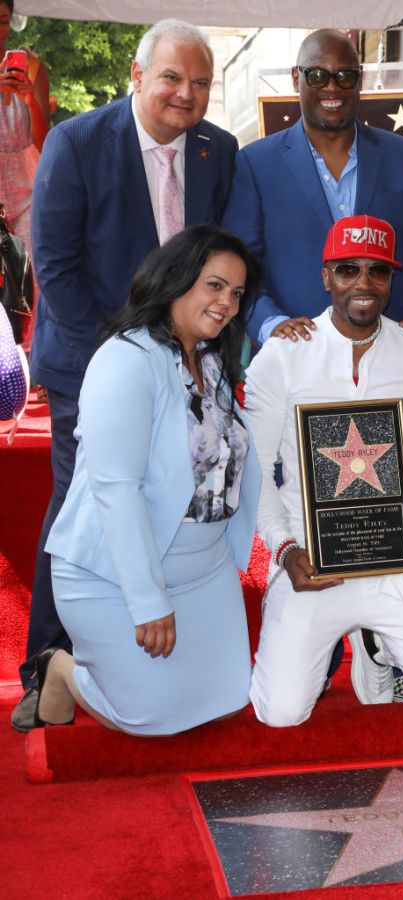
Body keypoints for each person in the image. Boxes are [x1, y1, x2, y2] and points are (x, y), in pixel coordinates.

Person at [12, 19, 238, 732]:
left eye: (200, 82)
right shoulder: (77, 142)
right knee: (82, 498)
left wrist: (193, 361)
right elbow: (57, 269)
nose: (186, 93)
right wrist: (123, 363)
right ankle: (46, 659)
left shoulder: (218, 150)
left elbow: (219, 263)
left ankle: (145, 635)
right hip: (93, 363)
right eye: (172, 77)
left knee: (165, 493)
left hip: (186, 368)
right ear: (137, 76)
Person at [243, 215, 403, 726]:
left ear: (393, 281)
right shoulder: (282, 356)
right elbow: (256, 468)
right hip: (311, 559)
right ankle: (357, 634)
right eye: (348, 269)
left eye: (378, 271)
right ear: (326, 276)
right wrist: (284, 550)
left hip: (399, 557)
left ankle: (378, 642)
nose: (364, 283)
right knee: (281, 713)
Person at [31, 225, 262, 734]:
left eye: (237, 293)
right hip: (115, 575)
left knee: (228, 702)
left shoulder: (209, 360)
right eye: (215, 285)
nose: (227, 303)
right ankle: (61, 669)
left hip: (205, 571)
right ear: (175, 278)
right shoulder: (125, 359)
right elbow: (116, 490)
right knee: (146, 721)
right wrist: (148, 601)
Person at [221, 29, 403, 347]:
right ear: (296, 78)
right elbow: (239, 265)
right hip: (294, 352)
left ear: (360, 80)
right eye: (317, 76)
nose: (332, 87)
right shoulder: (255, 163)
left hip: (391, 349)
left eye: (345, 75)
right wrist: (269, 325)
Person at [0, 0, 50, 256]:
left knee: (32, 265)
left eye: (3, 21)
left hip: (26, 185)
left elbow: (42, 144)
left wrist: (30, 103)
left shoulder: (31, 68)